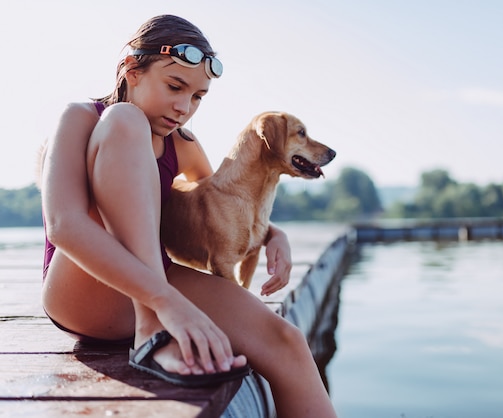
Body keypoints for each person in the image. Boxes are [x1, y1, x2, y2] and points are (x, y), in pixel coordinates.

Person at [39, 14, 337, 417]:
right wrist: (163, 300)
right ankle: (151, 330)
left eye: (198, 97)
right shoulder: (83, 117)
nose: (184, 107)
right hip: (88, 292)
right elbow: (63, 225)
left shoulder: (184, 144)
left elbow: (220, 209)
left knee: (287, 341)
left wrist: (271, 235)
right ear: (132, 70)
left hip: (160, 282)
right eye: (175, 86)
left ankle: (157, 319)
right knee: (126, 120)